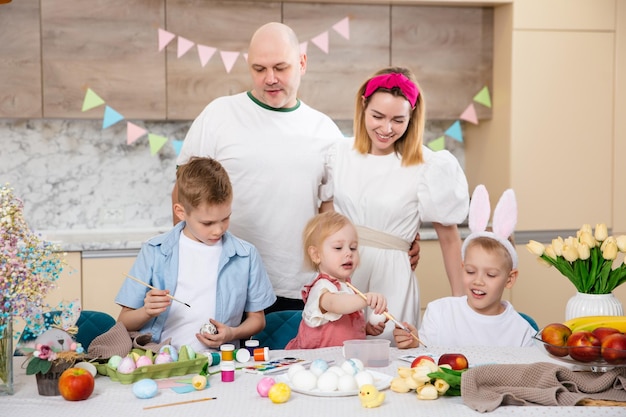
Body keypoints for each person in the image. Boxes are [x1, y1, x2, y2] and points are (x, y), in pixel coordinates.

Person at [173, 23, 420, 313]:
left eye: (281, 67)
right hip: (223, 280)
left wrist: (397, 241)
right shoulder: (218, 115)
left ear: (302, 63)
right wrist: (184, 260)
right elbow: (182, 193)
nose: (270, 79)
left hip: (298, 286)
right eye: (259, 69)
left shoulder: (325, 132)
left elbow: (333, 212)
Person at [322, 67, 469, 343]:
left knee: (391, 358)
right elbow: (325, 220)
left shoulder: (427, 165)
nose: (386, 129)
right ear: (363, 106)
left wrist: (461, 309)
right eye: (377, 116)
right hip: (343, 275)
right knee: (336, 356)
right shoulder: (338, 154)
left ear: (412, 117)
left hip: (394, 280)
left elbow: (450, 241)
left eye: (398, 120)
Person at [116, 157, 276, 352]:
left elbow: (257, 320)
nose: (218, 230)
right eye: (207, 223)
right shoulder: (154, 250)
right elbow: (124, 322)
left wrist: (232, 333)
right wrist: (146, 312)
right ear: (181, 212)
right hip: (160, 361)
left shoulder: (246, 255)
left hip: (218, 363)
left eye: (225, 218)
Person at [394, 185, 536, 348]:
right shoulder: (440, 313)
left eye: (490, 275)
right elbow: (425, 356)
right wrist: (413, 342)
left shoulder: (522, 331)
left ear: (510, 279)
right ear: (462, 268)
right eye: (470, 271)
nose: (478, 281)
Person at [285, 212, 387, 349]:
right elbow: (335, 304)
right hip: (314, 362)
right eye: (338, 248)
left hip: (342, 361)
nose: (348, 253)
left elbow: (346, 329)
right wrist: (366, 298)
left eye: (353, 248)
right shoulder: (321, 288)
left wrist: (366, 329)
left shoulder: (348, 287)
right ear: (316, 255)